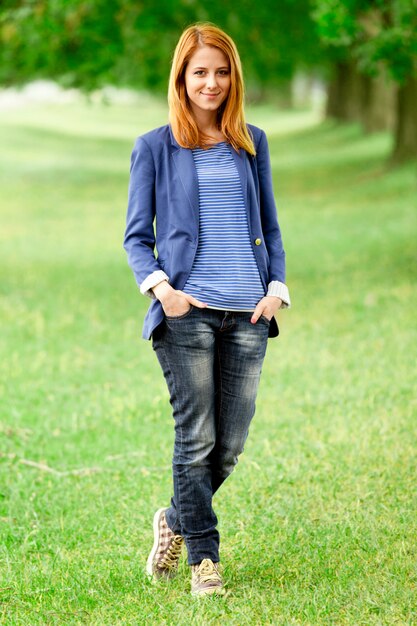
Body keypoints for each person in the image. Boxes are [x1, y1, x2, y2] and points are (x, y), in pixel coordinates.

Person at [123, 22, 291, 596]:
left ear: (233, 76)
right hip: (185, 312)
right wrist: (162, 290)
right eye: (200, 72)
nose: (211, 82)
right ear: (181, 77)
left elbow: (269, 225)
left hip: (249, 313)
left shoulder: (252, 141)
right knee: (195, 439)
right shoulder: (154, 146)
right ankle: (204, 562)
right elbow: (135, 238)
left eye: (221, 72)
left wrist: (276, 289)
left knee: (231, 444)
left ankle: (173, 519)